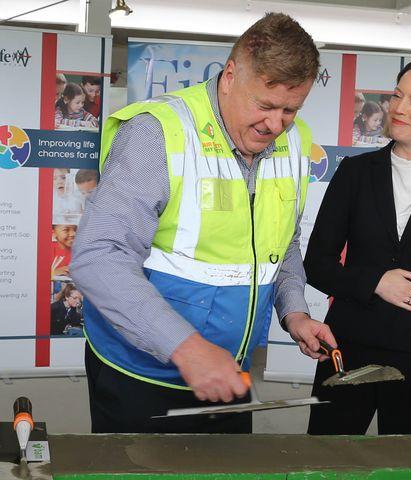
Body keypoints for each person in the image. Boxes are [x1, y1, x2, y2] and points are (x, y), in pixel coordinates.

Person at [70, 12, 337, 434]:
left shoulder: (295, 140)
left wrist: (295, 312)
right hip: (141, 374)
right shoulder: (157, 132)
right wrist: (188, 348)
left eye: (290, 109)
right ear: (230, 76)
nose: (275, 124)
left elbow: (281, 243)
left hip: (228, 374)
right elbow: (98, 256)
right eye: (265, 105)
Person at [305, 59, 411, 435]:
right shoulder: (354, 173)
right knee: (326, 462)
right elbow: (317, 263)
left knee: (409, 467)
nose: (398, 108)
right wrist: (376, 282)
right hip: (348, 348)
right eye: (398, 96)